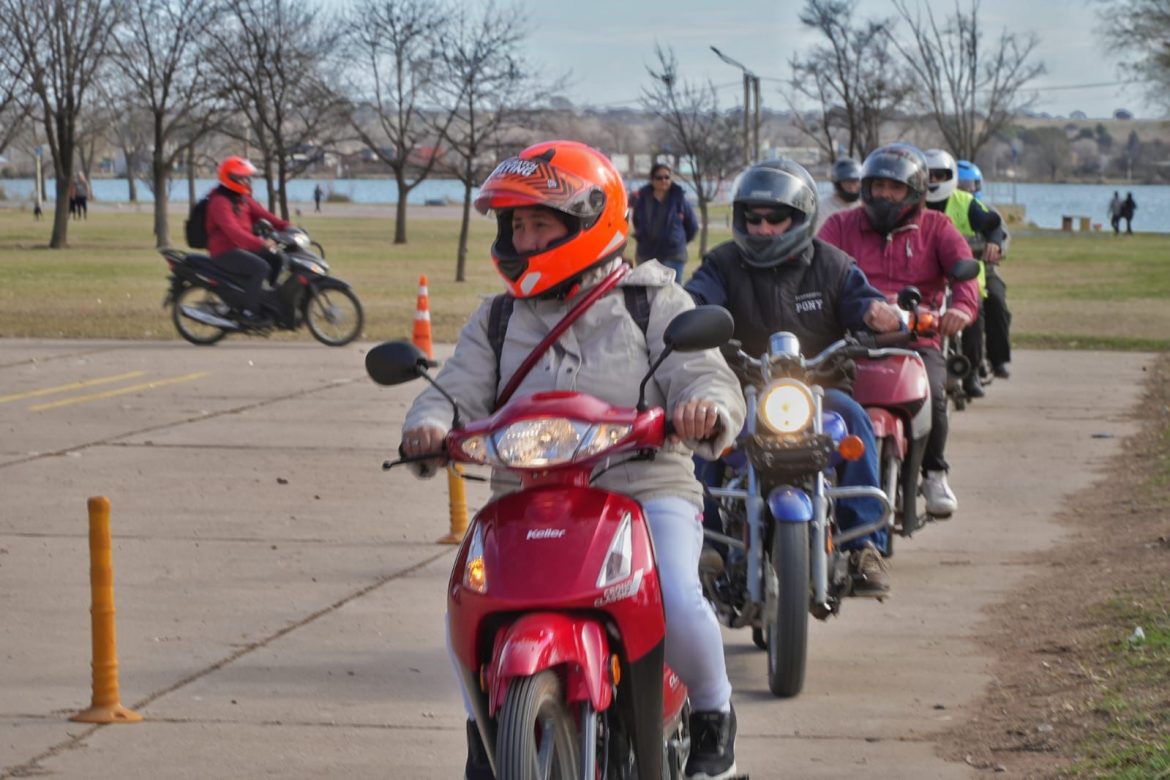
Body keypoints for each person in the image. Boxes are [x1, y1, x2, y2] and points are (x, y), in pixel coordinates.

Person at [400, 140, 746, 780]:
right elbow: (454, 388)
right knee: (466, 601)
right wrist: (427, 425)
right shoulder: (499, 319)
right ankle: (485, 730)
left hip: (644, 487)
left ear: (589, 221)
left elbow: (707, 377)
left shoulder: (652, 302)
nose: (524, 238)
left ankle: (713, 717)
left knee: (673, 588)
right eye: (517, 225)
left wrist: (704, 409)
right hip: (528, 498)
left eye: (540, 223)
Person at [686, 158, 903, 593]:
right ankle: (705, 541)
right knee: (701, 431)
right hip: (743, 390)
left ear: (801, 217)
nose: (764, 228)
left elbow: (865, 301)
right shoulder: (724, 263)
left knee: (856, 421)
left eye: (777, 219)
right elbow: (696, 298)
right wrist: (683, 315)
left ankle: (864, 545)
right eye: (755, 218)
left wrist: (879, 314)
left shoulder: (834, 265)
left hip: (820, 391)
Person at [819, 143, 979, 518]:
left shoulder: (937, 227)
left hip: (917, 335)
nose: (886, 195)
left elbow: (964, 268)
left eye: (896, 188)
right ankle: (822, 469)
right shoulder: (840, 224)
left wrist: (961, 307)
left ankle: (934, 472)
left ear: (916, 191)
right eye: (879, 187)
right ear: (866, 187)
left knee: (935, 391)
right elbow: (815, 264)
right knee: (817, 395)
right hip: (849, 336)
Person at [924, 149, 1012, 393]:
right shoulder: (911, 201)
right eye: (929, 176)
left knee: (975, 315)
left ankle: (973, 371)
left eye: (940, 176)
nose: (934, 182)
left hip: (965, 275)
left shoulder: (966, 202)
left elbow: (993, 223)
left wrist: (993, 242)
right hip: (924, 277)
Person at [205, 156, 290, 326]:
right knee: (261, 267)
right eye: (242, 177)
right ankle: (248, 312)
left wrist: (286, 226)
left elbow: (263, 214)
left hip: (242, 247)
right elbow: (234, 232)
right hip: (225, 251)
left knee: (278, 258)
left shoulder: (242, 198)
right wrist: (261, 243)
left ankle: (265, 300)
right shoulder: (220, 202)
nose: (246, 181)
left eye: (246, 177)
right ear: (231, 178)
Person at [631, 162, 698, 281]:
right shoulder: (642, 199)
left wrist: (677, 240)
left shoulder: (679, 198)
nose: (664, 180)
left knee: (672, 295)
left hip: (673, 255)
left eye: (667, 177)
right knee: (648, 295)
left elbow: (692, 225)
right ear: (652, 180)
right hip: (647, 255)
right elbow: (636, 221)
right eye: (659, 177)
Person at [814, 156, 863, 231]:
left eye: (855, 182)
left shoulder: (864, 206)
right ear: (838, 184)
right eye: (847, 183)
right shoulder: (823, 207)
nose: (852, 188)